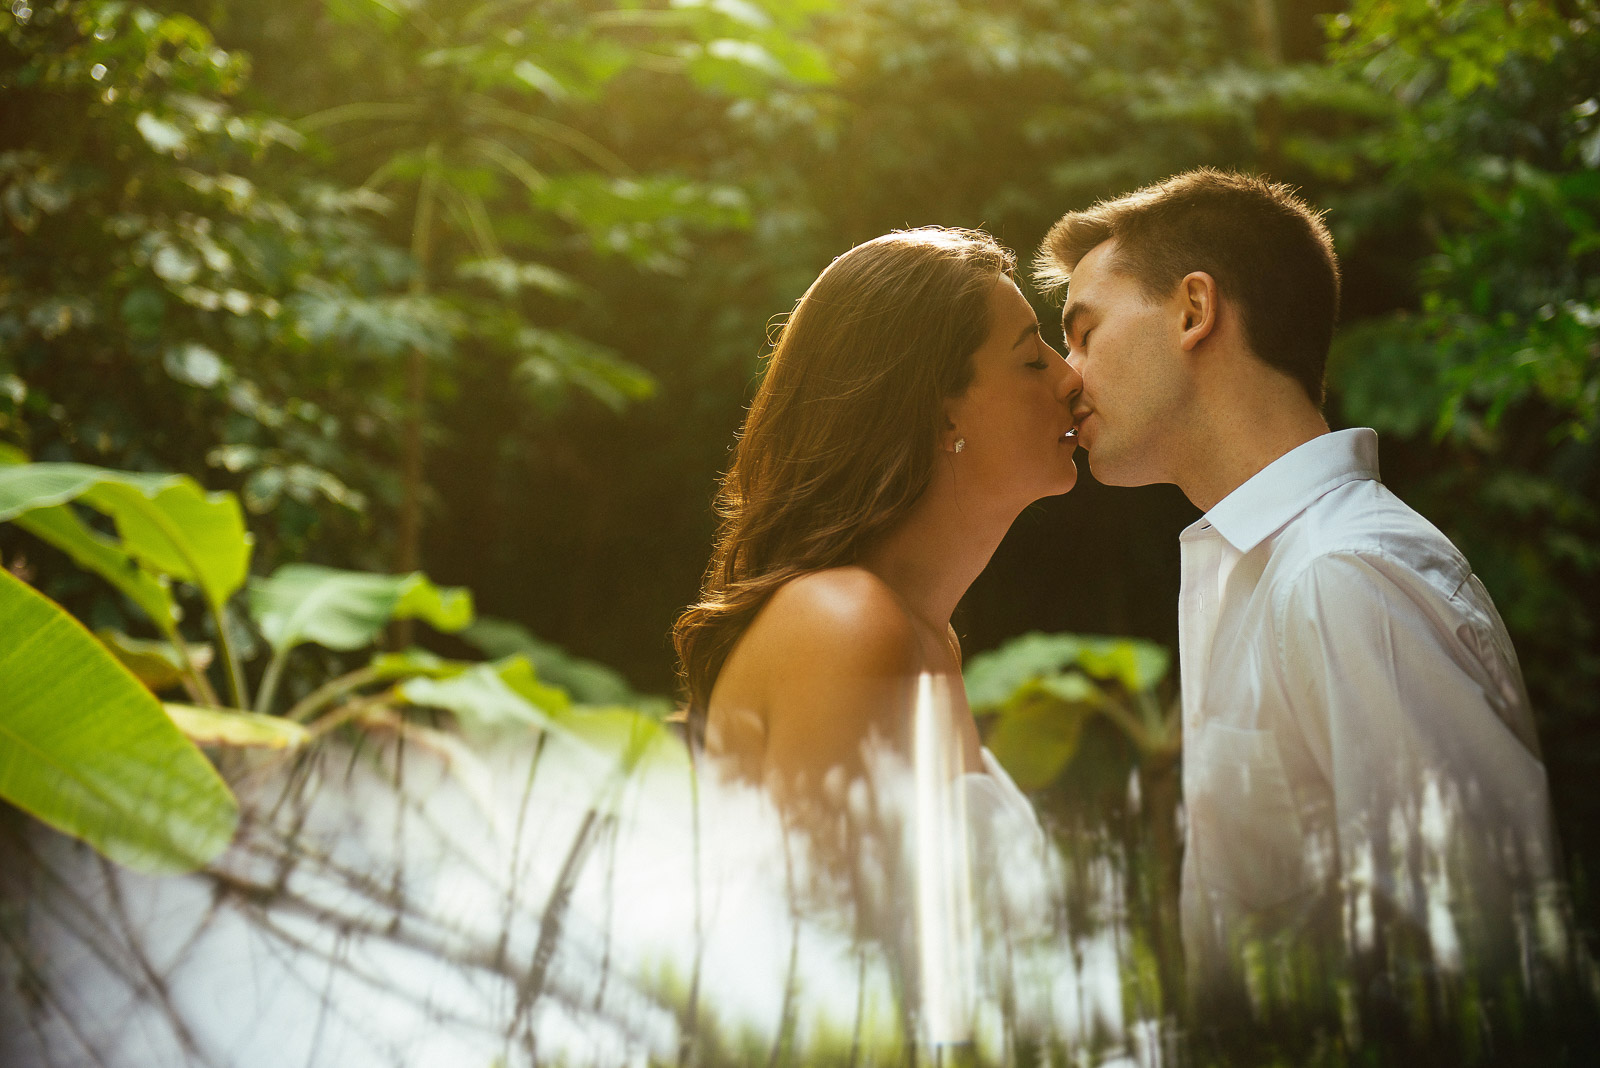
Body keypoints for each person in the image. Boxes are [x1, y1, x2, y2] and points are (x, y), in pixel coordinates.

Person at [1032, 169, 1560, 1015]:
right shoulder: (1271, 570)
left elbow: (1481, 973)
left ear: (1193, 312)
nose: (1066, 375)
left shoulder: (1347, 576)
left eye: (1085, 333)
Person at [672, 226, 1077, 838]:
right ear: (939, 413)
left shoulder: (924, 635)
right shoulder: (845, 623)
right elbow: (821, 930)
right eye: (1030, 358)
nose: (1070, 377)